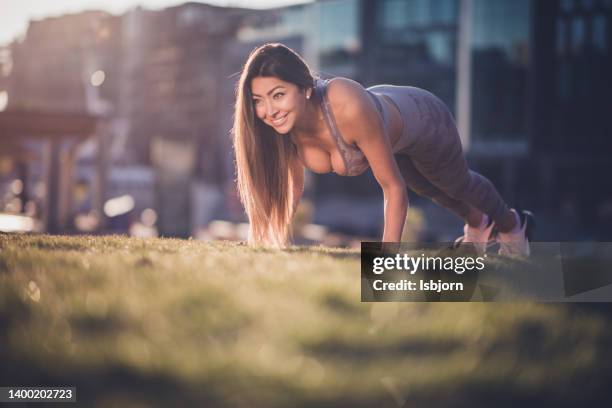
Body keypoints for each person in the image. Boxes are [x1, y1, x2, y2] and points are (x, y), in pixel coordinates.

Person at [232, 43, 531, 255]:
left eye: (278, 95)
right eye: (258, 100)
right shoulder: (283, 129)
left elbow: (393, 188)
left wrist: (388, 259)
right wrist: (273, 241)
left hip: (423, 118)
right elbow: (293, 190)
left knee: (455, 183)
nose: (268, 110)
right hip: (391, 130)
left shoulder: (345, 103)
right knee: (433, 191)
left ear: (306, 88)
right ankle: (478, 225)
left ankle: (513, 225)